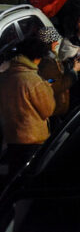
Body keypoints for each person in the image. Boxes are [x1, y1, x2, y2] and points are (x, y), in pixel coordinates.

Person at [0, 37, 56, 176]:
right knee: (28, 176)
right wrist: (47, 88)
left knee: (13, 174)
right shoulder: (33, 80)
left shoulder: (5, 76)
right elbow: (47, 110)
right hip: (32, 139)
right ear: (37, 57)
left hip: (11, 136)